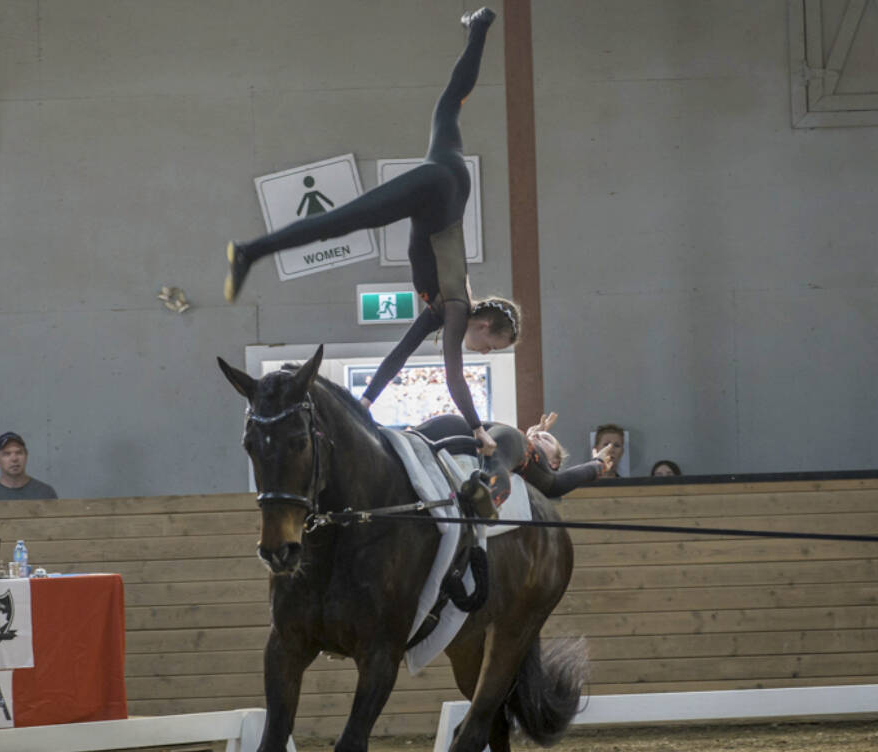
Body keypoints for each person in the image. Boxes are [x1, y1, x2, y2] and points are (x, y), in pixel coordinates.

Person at [225, 8, 508, 455]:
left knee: (450, 103)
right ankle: (249, 252)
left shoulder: (442, 310)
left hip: (450, 180)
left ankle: (479, 26)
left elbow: (399, 356)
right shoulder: (455, 308)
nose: (484, 352)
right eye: (493, 346)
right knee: (342, 220)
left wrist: (366, 401)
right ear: (486, 324)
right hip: (436, 198)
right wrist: (478, 429)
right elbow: (453, 376)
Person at [414, 414, 615, 504]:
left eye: (546, 439)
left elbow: (558, 484)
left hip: (496, 440)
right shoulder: (520, 441)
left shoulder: (543, 467)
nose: (538, 436)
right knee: (427, 431)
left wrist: (597, 464)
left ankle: (489, 490)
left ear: (553, 463)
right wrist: (535, 434)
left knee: (500, 455)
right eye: (537, 435)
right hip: (465, 428)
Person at [0, 432, 59, 502]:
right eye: (7, 454)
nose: (14, 459)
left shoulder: (45, 493)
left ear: (26, 456)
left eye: (19, 453)